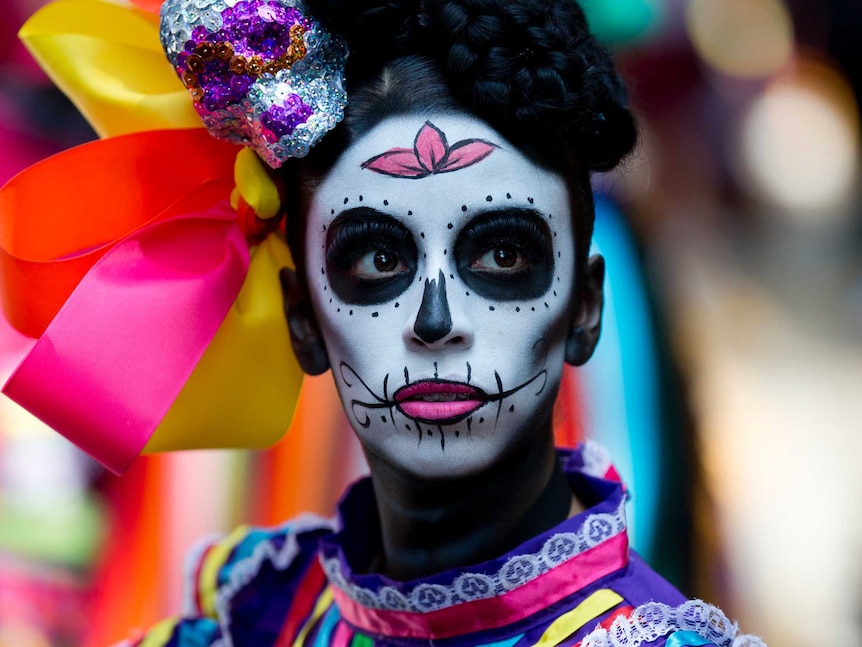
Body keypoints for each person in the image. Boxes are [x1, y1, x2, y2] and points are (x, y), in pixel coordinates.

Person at [1, 0, 764, 645]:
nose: (436, 320)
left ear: (585, 309)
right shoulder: (257, 615)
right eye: (375, 260)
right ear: (302, 318)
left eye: (502, 254)